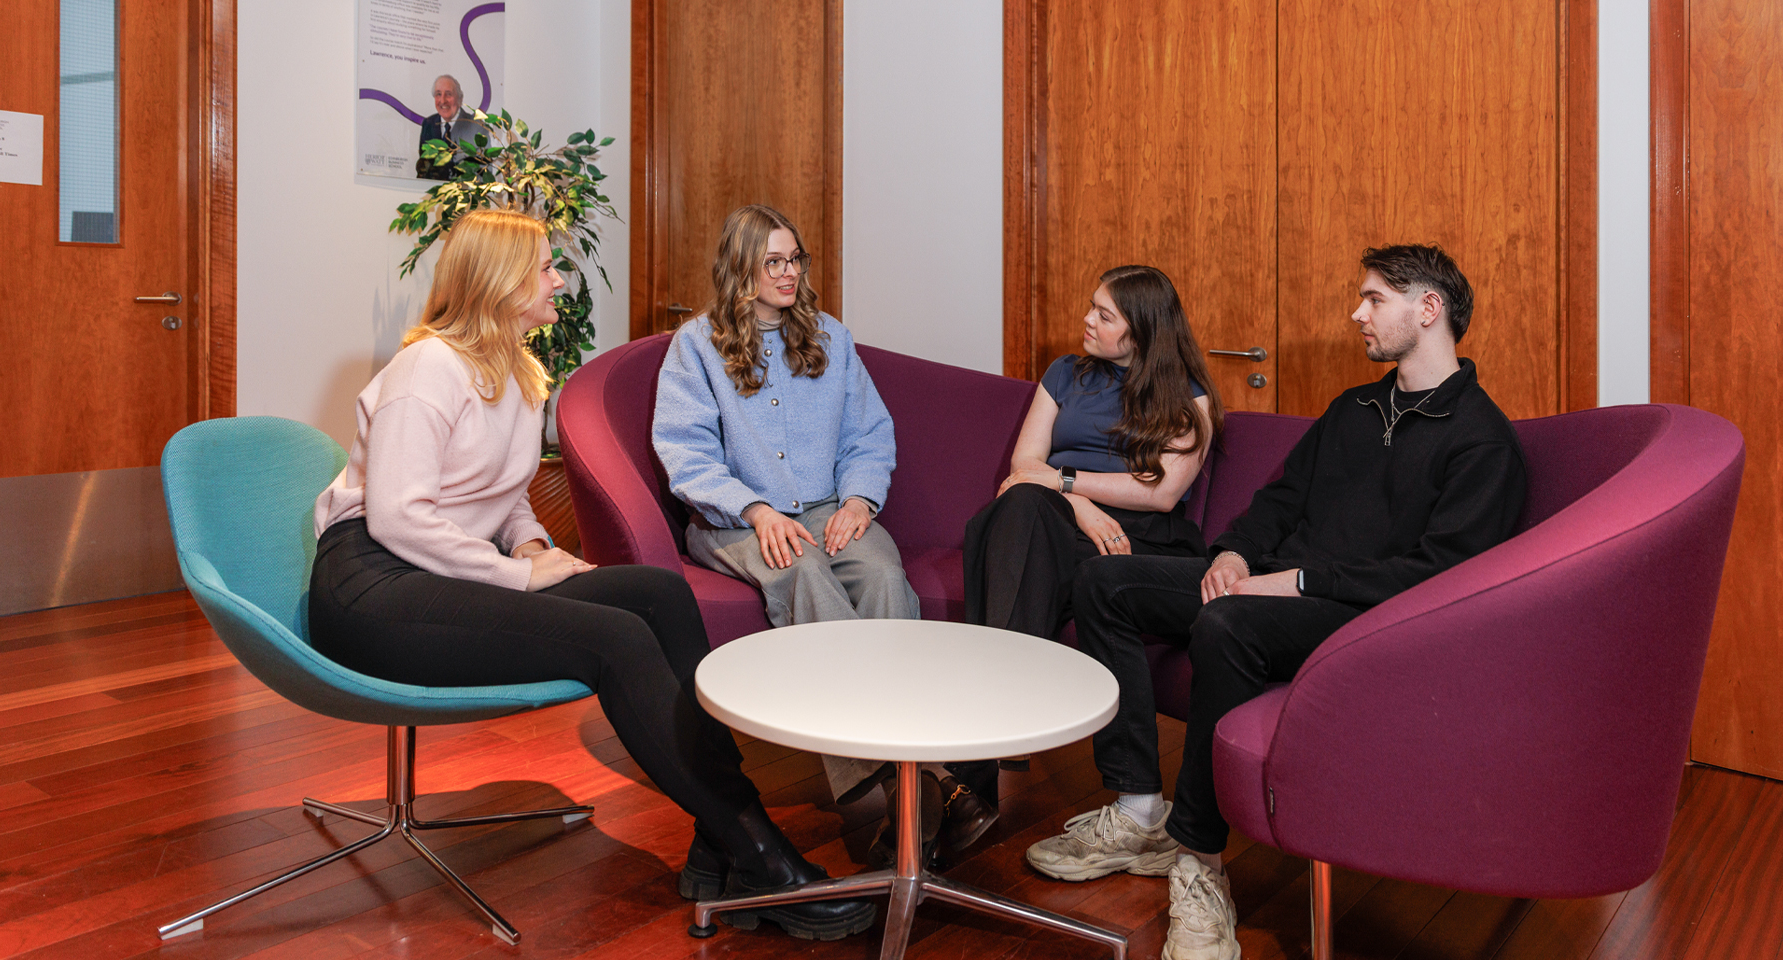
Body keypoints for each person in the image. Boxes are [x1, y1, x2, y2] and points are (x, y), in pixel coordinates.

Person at [308, 209, 875, 942]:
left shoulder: (515, 371)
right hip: (371, 586)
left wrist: (534, 543)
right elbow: (397, 519)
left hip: (442, 572)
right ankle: (763, 858)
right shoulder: (429, 369)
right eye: (546, 267)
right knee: (615, 640)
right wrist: (519, 576)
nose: (559, 279)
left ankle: (719, 842)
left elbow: (501, 498)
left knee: (657, 591)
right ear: (502, 281)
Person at [1024, 244, 1528, 960]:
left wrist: (1289, 583)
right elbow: (1279, 502)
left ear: (1428, 309)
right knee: (1107, 581)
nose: (1357, 313)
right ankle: (1140, 809)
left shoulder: (1483, 441)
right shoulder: (1355, 407)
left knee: (1228, 621)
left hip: (1363, 618)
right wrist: (1232, 553)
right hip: (1275, 589)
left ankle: (1198, 862)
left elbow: (1437, 576)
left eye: (1374, 299)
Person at [652, 204, 981, 868]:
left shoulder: (831, 337)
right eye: (773, 261)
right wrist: (754, 509)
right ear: (741, 267)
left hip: (830, 509)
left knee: (886, 575)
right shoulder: (696, 344)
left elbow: (868, 436)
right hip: (735, 522)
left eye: (795, 259)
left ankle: (903, 784)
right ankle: (917, 781)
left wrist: (861, 500)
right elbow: (685, 456)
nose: (789, 273)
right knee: (800, 572)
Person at [963, 264, 1222, 641]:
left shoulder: (1190, 397)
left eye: (1104, 316)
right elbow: (1025, 463)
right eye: (1092, 307)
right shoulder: (1065, 373)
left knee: (1016, 528)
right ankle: (1010, 669)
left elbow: (1162, 492)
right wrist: (1077, 504)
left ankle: (999, 669)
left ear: (1141, 333)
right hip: (1056, 515)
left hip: (1138, 532)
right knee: (1020, 506)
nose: (1087, 319)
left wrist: (1061, 480)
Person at [415, 75, 483, 181]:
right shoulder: (428, 124)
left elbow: (480, 171)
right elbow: (424, 167)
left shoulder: (475, 126)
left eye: (449, 94)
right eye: (438, 94)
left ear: (460, 99)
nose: (443, 101)